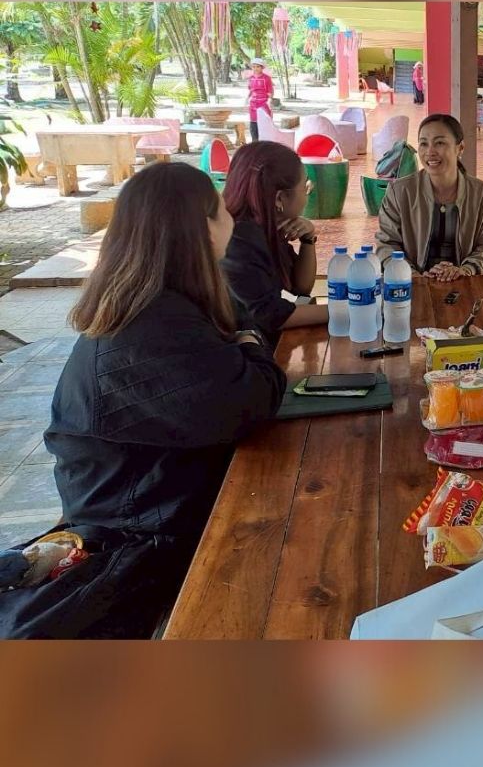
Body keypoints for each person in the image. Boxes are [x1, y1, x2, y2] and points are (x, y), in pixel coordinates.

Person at [0, 163, 286, 638]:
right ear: (203, 229)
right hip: (137, 538)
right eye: (222, 210)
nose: (232, 220)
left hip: (145, 504)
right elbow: (253, 399)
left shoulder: (154, 299)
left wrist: (246, 342)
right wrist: (251, 342)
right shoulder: (155, 324)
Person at [220, 142, 329, 341]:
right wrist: (349, 310)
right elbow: (272, 315)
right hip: (240, 349)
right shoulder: (239, 240)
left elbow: (301, 288)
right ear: (279, 199)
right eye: (305, 187)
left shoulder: (265, 227)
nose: (307, 195)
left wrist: (307, 239)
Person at [376, 113, 483, 281]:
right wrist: (414, 276)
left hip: (463, 284)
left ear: (460, 148)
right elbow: (386, 245)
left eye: (440, 143)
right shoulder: (399, 192)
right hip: (411, 285)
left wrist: (465, 270)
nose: (430, 152)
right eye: (423, 144)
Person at [247, 58, 274, 141]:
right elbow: (250, 90)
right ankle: (254, 143)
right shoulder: (250, 78)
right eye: (254, 67)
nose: (255, 68)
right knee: (253, 124)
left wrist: (269, 101)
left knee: (264, 125)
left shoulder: (267, 78)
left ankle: (264, 145)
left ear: (262, 67)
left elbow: (270, 92)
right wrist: (247, 99)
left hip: (263, 104)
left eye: (258, 66)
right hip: (253, 105)